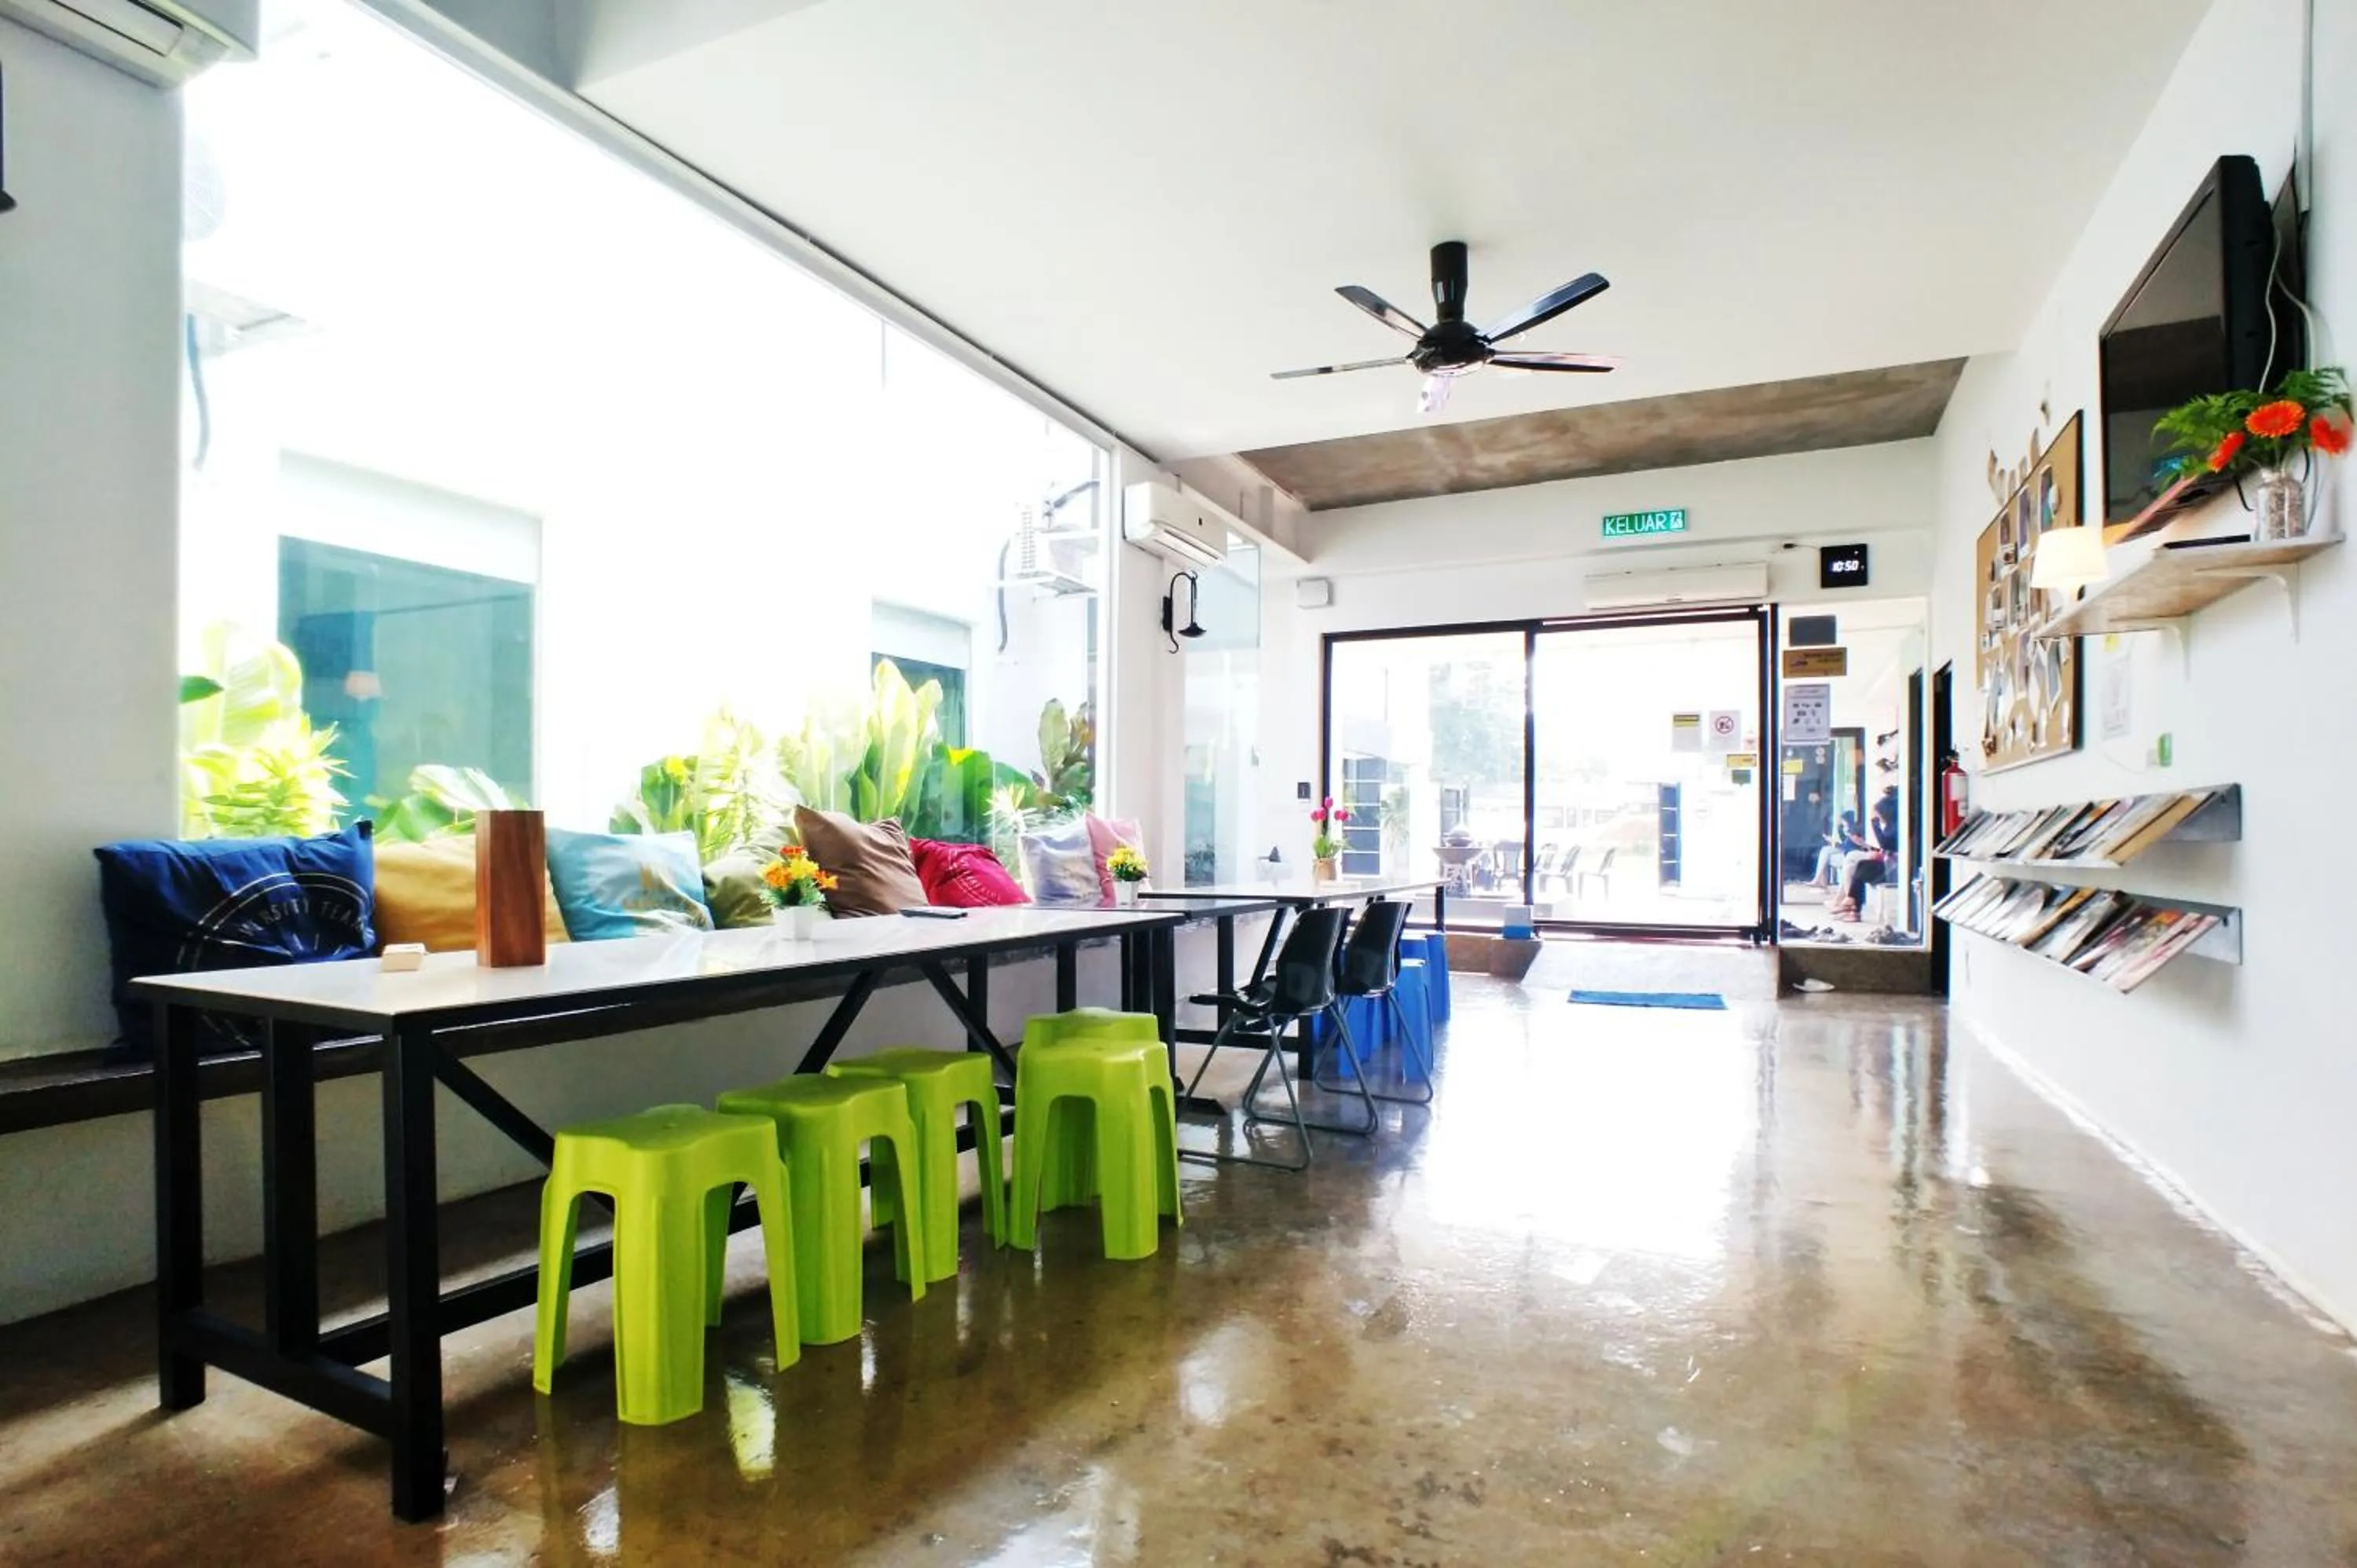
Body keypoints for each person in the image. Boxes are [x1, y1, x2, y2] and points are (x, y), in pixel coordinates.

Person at [1831, 785, 1901, 921]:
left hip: (1893, 866)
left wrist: (1874, 823)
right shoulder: (1891, 826)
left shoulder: (1895, 827)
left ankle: (1851, 904)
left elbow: (1886, 844)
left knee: (1859, 865)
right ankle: (1851, 904)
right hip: (1889, 861)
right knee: (1858, 863)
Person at [1809, 811, 1866, 888]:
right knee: (1825, 851)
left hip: (1850, 857)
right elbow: (1844, 845)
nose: (1845, 827)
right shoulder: (1845, 831)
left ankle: (1820, 881)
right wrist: (1840, 831)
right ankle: (1819, 880)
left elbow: (1849, 848)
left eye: (1846, 824)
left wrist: (1835, 843)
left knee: (1826, 856)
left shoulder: (1856, 833)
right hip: (1845, 853)